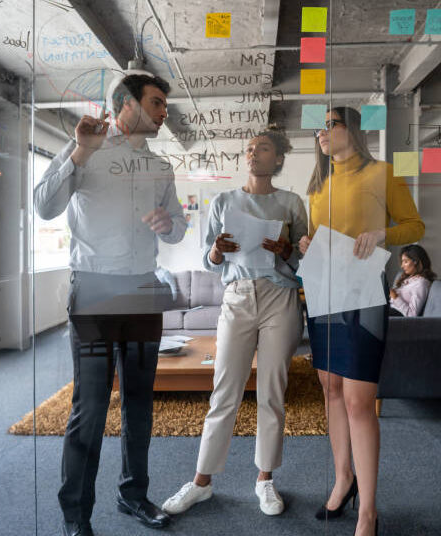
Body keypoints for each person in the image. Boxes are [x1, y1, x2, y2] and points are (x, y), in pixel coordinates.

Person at [34, 74, 186, 536]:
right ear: (127, 105)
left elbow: (179, 227)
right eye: (157, 103)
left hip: (143, 291)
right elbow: (44, 206)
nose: (164, 112)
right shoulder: (86, 147)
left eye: (164, 104)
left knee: (140, 402)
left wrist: (168, 225)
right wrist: (78, 152)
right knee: (92, 405)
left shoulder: (161, 166)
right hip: (95, 292)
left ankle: (133, 495)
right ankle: (76, 515)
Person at [162, 127, 307, 517]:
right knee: (224, 390)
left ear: (277, 159)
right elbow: (209, 258)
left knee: (272, 392)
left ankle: (265, 480)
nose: (253, 153)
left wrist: (287, 249)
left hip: (280, 297)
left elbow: (304, 261)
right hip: (237, 296)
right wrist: (215, 250)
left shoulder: (292, 202)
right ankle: (201, 482)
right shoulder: (224, 200)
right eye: (249, 148)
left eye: (262, 148)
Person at [298, 107, 425, 536]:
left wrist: (381, 235)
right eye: (320, 126)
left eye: (330, 124)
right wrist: (307, 244)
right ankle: (343, 480)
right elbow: (320, 241)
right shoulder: (318, 185)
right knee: (331, 390)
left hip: (365, 291)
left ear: (351, 129)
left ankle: (368, 510)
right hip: (322, 290)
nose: (322, 132)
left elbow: (415, 224)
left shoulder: (382, 173)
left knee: (358, 401)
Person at [389, 244, 436, 317]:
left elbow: (412, 314)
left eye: (405, 261)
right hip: (390, 309)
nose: (402, 266)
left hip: (396, 316)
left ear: (416, 262)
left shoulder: (421, 283)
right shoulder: (410, 278)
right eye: (402, 262)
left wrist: (395, 297)